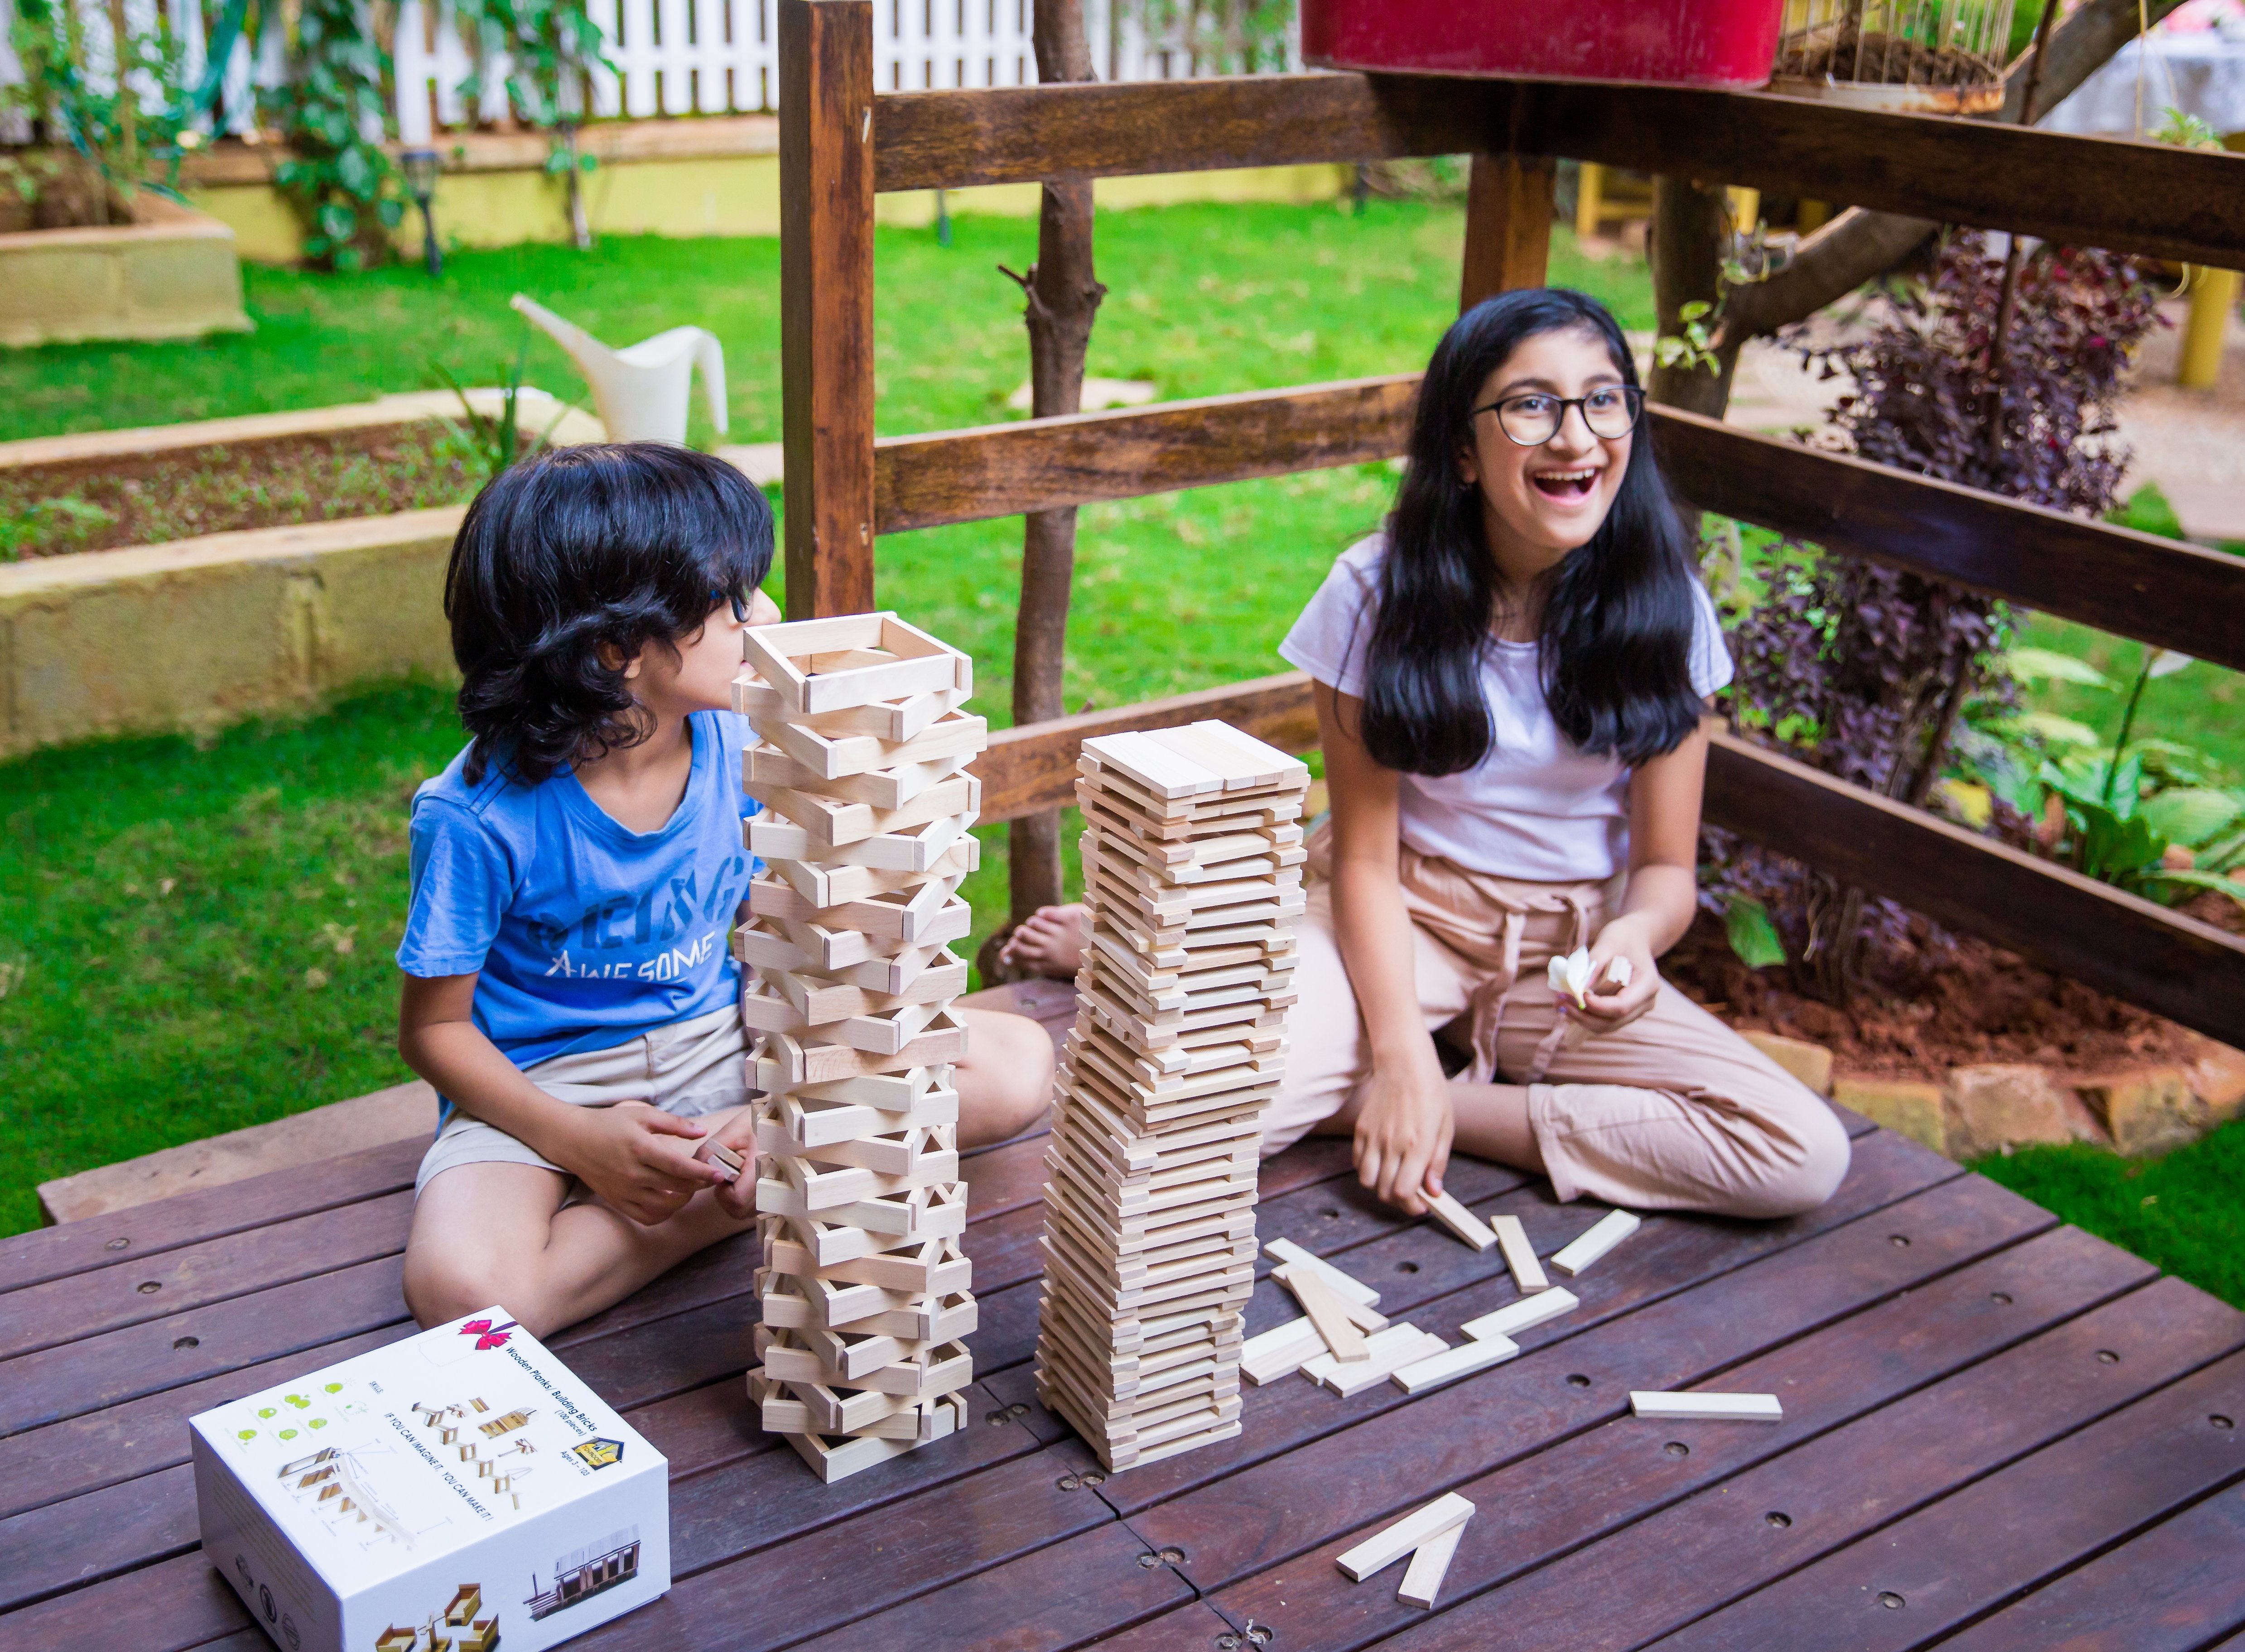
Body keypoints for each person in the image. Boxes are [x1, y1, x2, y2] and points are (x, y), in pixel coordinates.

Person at [1003, 289, 1848, 1221]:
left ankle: (1393, 1094)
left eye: (1604, 401)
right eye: (1532, 406)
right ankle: (1162, 957)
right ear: (1462, 451)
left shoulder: (1668, 607)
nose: (1576, 438)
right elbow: (1363, 858)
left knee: (1795, 1153)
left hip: (1561, 965)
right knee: (1208, 1119)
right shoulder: (1374, 594)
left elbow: (1663, 871)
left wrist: (1632, 942)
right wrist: (1404, 1047)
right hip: (1404, 918)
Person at [397, 443, 1053, 1338]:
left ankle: (724, 1169)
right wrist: (576, 1140)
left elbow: (770, 928)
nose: (770, 615)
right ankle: (740, 1187)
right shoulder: (476, 817)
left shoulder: (741, 744)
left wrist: (781, 1082)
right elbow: (435, 1032)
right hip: (542, 1083)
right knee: (464, 1292)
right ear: (618, 650)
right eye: (734, 605)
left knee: (1014, 1070)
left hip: (722, 1053)